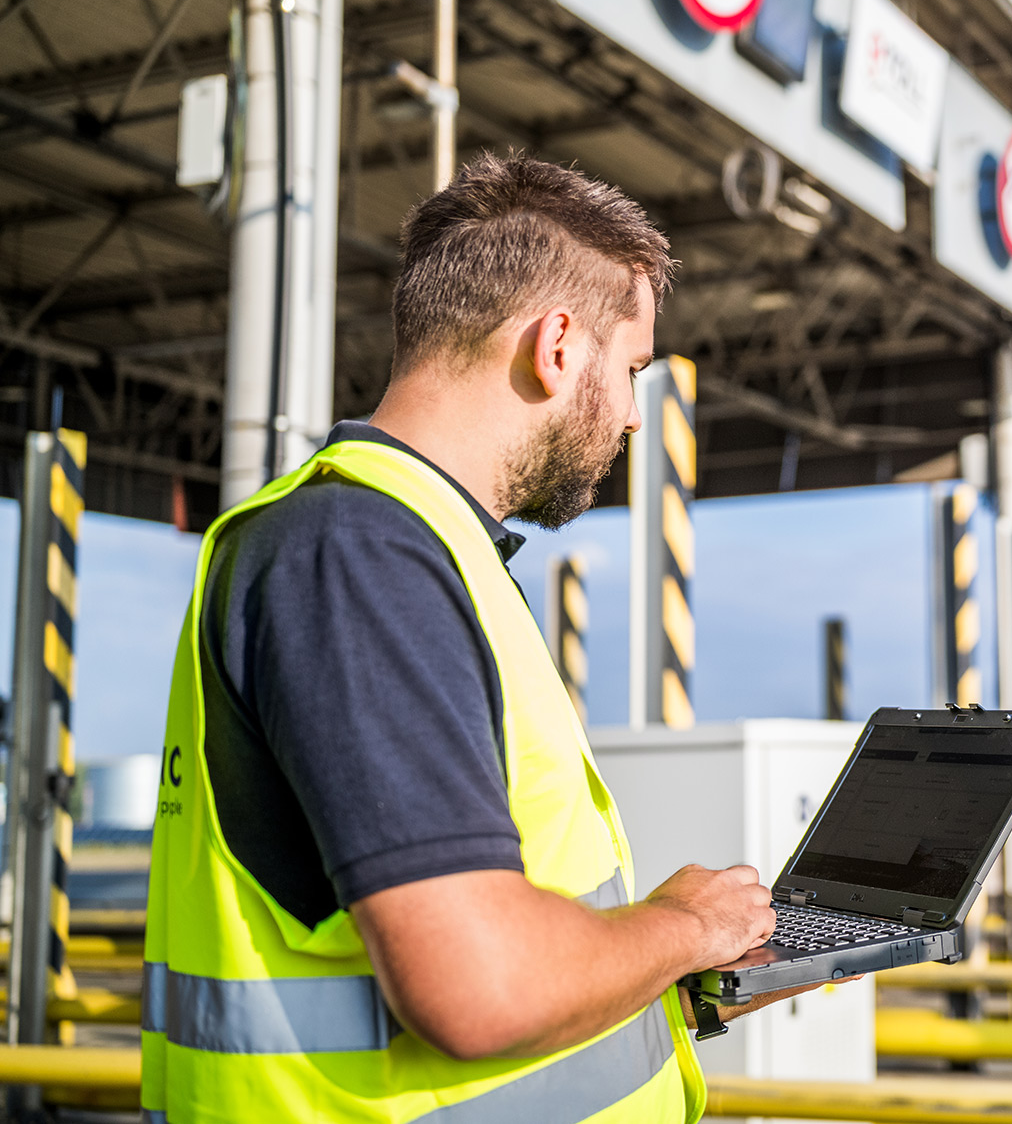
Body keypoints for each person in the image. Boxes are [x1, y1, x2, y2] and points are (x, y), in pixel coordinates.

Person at [143, 151, 810, 1123]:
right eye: (630, 372)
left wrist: (682, 962)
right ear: (556, 347)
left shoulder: (422, 550)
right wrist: (677, 925)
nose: (631, 414)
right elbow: (479, 986)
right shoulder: (357, 555)